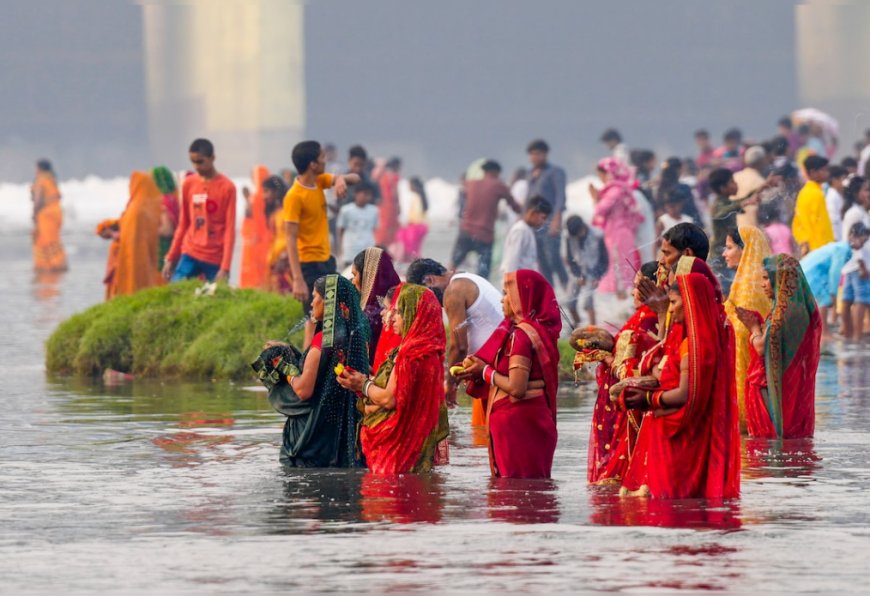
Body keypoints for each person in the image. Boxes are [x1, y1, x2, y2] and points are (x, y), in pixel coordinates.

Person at [621, 271, 740, 499]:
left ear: (691, 304)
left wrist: (647, 399)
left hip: (680, 438)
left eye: (674, 302)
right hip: (673, 432)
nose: (671, 308)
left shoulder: (696, 346)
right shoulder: (690, 341)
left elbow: (688, 393)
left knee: (671, 507)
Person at [258, 274, 370, 467]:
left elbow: (304, 390)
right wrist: (290, 351)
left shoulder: (323, 340)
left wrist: (283, 365)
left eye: (315, 297)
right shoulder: (351, 335)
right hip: (337, 436)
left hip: (311, 438)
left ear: (328, 303)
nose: (311, 303)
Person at [459, 270, 560, 479]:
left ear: (521, 299)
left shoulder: (522, 336)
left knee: (512, 494)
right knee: (533, 496)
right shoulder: (534, 331)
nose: (502, 300)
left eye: (506, 294)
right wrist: (480, 367)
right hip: (530, 421)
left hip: (518, 424)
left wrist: (484, 371)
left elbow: (517, 388)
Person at [337, 284, 447, 474]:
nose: (392, 317)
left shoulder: (410, 353)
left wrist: (362, 384)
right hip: (417, 446)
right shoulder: (430, 351)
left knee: (391, 501)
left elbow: (390, 398)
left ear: (415, 315)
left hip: (398, 450)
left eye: (399, 312)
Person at [587, 261, 660, 484]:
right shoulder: (642, 317)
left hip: (628, 407)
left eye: (637, 286)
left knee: (621, 478)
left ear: (651, 288)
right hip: (618, 403)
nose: (632, 291)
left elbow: (631, 371)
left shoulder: (647, 319)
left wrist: (606, 358)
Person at [406, 257, 504, 421]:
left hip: (497, 370)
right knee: (484, 436)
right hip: (493, 368)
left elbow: (459, 347)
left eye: (423, 297)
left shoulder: (453, 291)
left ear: (430, 280)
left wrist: (450, 383)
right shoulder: (465, 278)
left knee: (491, 434)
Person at [283, 140, 360, 347]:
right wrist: (297, 279)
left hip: (326, 261)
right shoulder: (294, 196)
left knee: (335, 314)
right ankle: (307, 366)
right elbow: (289, 238)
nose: (326, 161)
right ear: (313, 165)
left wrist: (341, 179)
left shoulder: (319, 181)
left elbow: (356, 177)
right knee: (313, 317)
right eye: (322, 158)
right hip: (308, 265)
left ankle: (328, 361)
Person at [736, 255, 821, 439]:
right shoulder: (787, 308)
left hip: (778, 398)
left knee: (776, 449)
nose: (763, 284)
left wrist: (753, 328)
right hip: (782, 395)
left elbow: (763, 347)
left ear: (781, 279)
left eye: (767, 278)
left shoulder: (786, 313)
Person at [163, 139, 237, 283]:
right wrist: (171, 257)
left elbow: (229, 229)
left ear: (212, 158)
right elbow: (183, 223)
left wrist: (225, 267)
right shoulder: (189, 184)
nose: (196, 166)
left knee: (216, 298)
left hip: (215, 255)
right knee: (176, 291)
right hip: (190, 251)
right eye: (193, 162)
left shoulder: (228, 188)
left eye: (200, 161)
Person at [723, 227, 772, 430]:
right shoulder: (740, 286)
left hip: (756, 383)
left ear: (747, 250)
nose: (725, 254)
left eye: (729, 248)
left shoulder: (753, 291)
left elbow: (743, 333)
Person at [451, 160, 522, 280]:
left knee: (453, 265)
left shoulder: (470, 183)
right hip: (485, 234)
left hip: (466, 231)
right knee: (483, 272)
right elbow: (514, 205)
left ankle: (444, 289)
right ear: (496, 172)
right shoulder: (498, 185)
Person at [590, 157, 643, 298]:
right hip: (616, 232)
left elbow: (600, 209)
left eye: (601, 174)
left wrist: (595, 198)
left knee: (619, 265)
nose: (601, 178)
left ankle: (624, 299)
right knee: (618, 265)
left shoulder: (615, 190)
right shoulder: (619, 188)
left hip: (618, 233)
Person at [110, 171, 165, 298]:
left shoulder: (136, 209)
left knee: (133, 286)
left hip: (133, 256)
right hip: (147, 257)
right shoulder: (152, 206)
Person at [707, 168, 760, 295]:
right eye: (731, 182)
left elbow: (741, 201)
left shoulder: (727, 202)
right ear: (722, 188)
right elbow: (720, 213)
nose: (735, 184)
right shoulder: (718, 205)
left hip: (728, 255)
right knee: (727, 292)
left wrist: (762, 187)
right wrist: (744, 203)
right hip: (720, 258)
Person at [526, 139, 568, 287]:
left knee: (554, 259)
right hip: (534, 224)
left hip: (550, 221)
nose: (535, 157)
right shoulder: (531, 174)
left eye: (538, 154)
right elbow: (528, 200)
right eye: (532, 154)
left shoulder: (556, 172)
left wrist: (557, 220)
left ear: (545, 154)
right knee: (542, 262)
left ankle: (567, 285)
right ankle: (551, 293)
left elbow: (560, 197)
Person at [351, 247, 401, 365]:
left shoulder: (372, 314)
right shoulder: (399, 297)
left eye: (355, 275)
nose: (353, 281)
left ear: (368, 277)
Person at [800, 239, 852, 338]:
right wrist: (833, 292)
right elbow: (834, 272)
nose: (863, 243)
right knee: (823, 299)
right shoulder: (843, 249)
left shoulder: (838, 246)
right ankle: (824, 333)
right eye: (863, 239)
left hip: (807, 268)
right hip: (812, 271)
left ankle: (822, 331)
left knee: (822, 299)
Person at [565, 215, 608, 326]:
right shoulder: (569, 236)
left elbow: (604, 261)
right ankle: (576, 325)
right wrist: (578, 275)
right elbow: (570, 259)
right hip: (576, 271)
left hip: (593, 271)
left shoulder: (597, 235)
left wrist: (597, 276)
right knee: (570, 301)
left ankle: (593, 328)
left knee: (588, 302)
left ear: (583, 227)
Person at [792, 155, 835, 257]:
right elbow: (821, 225)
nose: (827, 173)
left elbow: (797, 225)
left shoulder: (804, 192)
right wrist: (826, 248)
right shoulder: (815, 194)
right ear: (812, 173)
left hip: (813, 250)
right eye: (823, 170)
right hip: (821, 250)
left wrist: (805, 242)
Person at [31, 159, 67, 273]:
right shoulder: (52, 179)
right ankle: (59, 264)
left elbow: (38, 200)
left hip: (46, 214)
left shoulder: (41, 180)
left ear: (40, 168)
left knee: (44, 240)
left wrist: (34, 214)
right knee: (54, 239)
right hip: (57, 212)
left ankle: (48, 266)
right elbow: (58, 196)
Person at [500, 196, 551, 275]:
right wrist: (511, 285)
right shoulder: (520, 231)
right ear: (532, 213)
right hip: (517, 281)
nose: (543, 222)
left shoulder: (528, 230)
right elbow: (512, 261)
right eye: (543, 218)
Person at [240, 165, 272, 289]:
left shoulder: (257, 197)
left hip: (257, 238)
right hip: (262, 237)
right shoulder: (265, 196)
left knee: (256, 267)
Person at [336, 182, 378, 268]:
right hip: (350, 250)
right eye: (365, 194)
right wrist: (341, 250)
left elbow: (374, 230)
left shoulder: (374, 211)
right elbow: (340, 231)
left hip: (367, 250)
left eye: (369, 195)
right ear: (356, 194)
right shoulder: (346, 210)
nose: (368, 197)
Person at [840, 222, 870, 341]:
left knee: (847, 299)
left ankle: (849, 334)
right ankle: (857, 336)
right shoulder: (858, 216)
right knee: (861, 300)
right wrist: (862, 267)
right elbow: (859, 249)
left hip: (850, 268)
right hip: (859, 270)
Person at [262, 176, 291, 294]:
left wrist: (284, 256)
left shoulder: (288, 211)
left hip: (286, 260)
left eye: (266, 191)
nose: (264, 196)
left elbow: (294, 237)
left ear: (276, 192)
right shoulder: (274, 212)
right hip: (274, 259)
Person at [731, 146, 768, 228]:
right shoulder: (760, 182)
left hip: (733, 229)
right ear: (761, 161)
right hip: (752, 229)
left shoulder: (735, 177)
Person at [152, 166, 179, 271]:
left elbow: (167, 230)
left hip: (165, 248)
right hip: (176, 247)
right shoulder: (174, 198)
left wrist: (147, 232)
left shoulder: (164, 200)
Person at [396, 177, 429, 262]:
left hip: (416, 226)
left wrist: (408, 222)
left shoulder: (416, 197)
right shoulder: (422, 196)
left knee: (411, 247)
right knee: (416, 248)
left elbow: (416, 214)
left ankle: (414, 264)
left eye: (409, 185)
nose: (408, 187)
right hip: (423, 225)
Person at [374, 157, 401, 252]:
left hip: (381, 204)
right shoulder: (393, 176)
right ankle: (390, 249)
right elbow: (395, 193)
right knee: (391, 227)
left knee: (382, 226)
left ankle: (380, 246)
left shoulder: (381, 175)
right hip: (391, 205)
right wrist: (398, 205)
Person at [840, 176, 870, 244]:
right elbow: (849, 242)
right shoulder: (854, 213)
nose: (869, 193)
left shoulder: (863, 211)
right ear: (856, 193)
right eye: (867, 190)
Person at [825, 165, 848, 242]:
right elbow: (833, 221)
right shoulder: (832, 197)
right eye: (843, 179)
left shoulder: (838, 195)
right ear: (834, 180)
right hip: (837, 237)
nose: (845, 183)